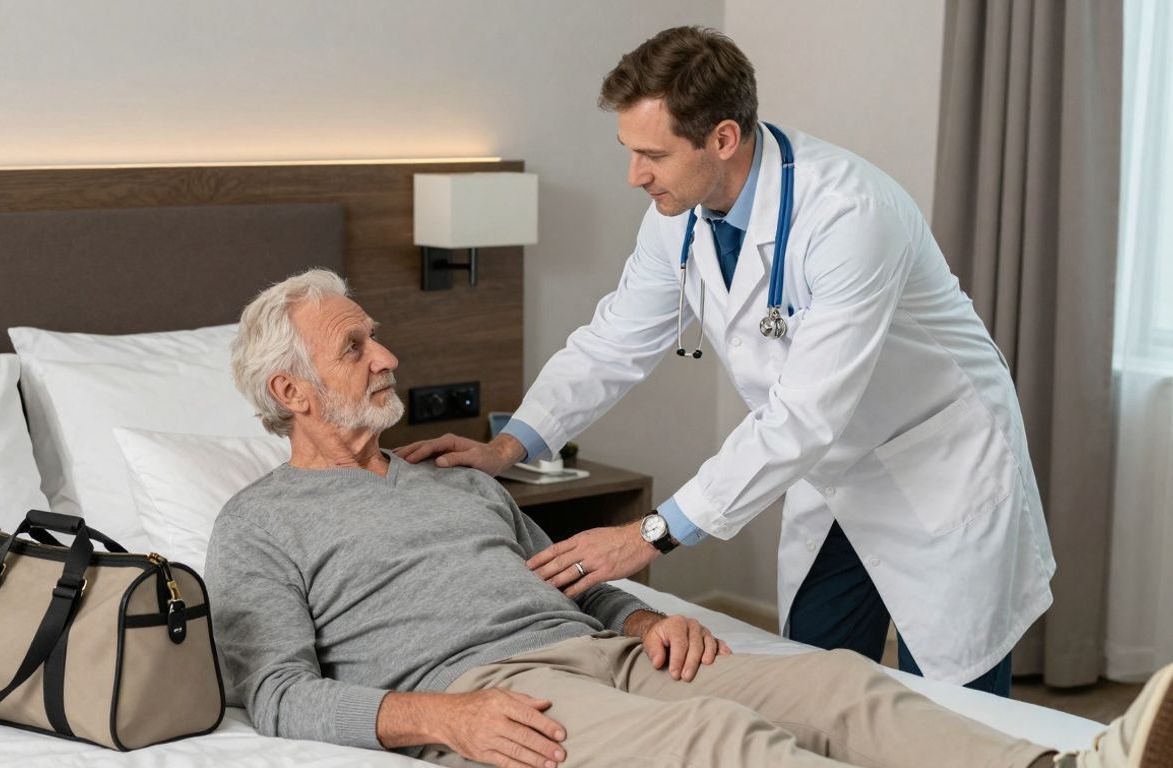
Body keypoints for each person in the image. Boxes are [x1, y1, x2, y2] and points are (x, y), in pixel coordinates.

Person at [205, 269, 1170, 768]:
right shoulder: (261, 522)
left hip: (607, 655)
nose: (387, 358)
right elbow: (277, 692)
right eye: (356, 347)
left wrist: (640, 618)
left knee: (838, 685)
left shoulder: (455, 479)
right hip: (497, 693)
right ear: (292, 391)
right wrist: (441, 718)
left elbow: (571, 578)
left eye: (376, 338)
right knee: (723, 745)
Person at [395, 25, 1053, 697]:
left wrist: (648, 535)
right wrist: (508, 447)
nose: (634, 175)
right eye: (629, 151)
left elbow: (802, 416)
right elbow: (614, 340)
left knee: (961, 710)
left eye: (653, 154)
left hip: (936, 462)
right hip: (831, 473)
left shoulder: (850, 215)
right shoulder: (676, 213)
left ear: (724, 138)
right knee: (818, 686)